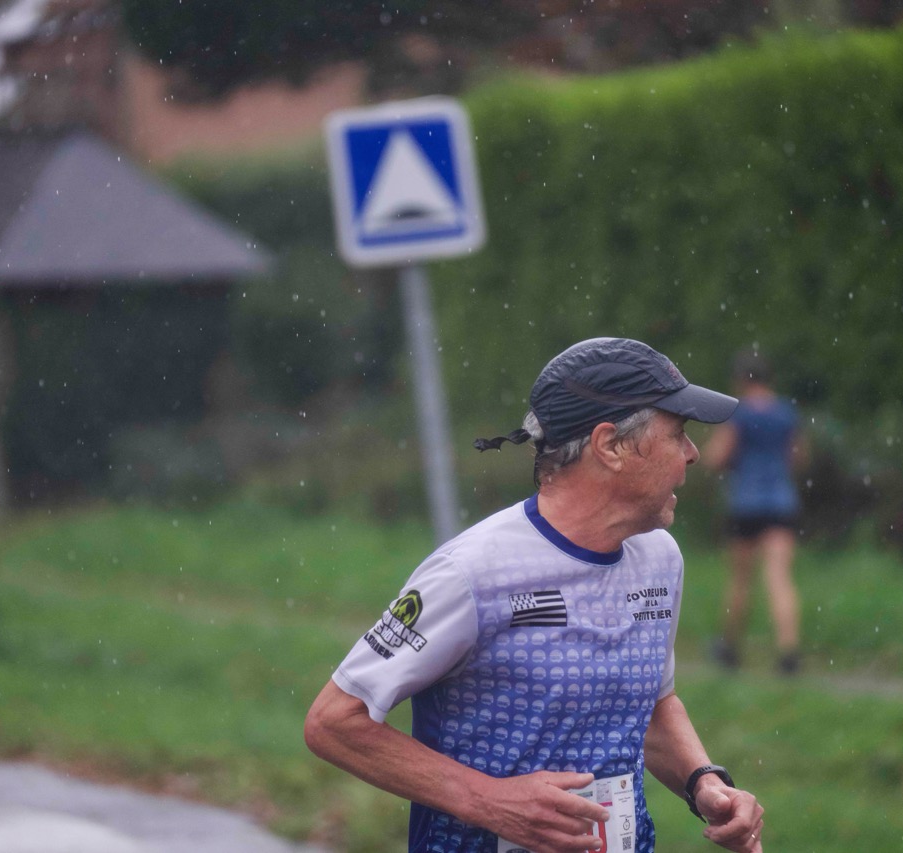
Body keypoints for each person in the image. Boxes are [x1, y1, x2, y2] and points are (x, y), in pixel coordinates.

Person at [304, 338, 765, 853]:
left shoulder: (660, 559)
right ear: (610, 445)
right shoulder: (472, 572)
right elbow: (333, 722)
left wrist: (704, 782)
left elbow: (651, 708)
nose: (693, 454)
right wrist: (488, 801)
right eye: (677, 433)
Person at [700, 348, 804, 676]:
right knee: (779, 577)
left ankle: (730, 648)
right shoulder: (786, 412)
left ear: (740, 380)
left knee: (741, 580)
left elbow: (717, 456)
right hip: (781, 502)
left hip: (746, 503)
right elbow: (797, 457)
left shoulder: (739, 414)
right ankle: (788, 651)